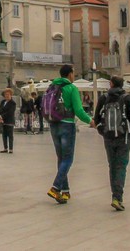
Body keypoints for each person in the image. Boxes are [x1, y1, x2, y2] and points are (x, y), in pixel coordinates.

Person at [45, 64, 93, 204]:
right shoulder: (72, 88)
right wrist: (90, 121)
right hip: (67, 124)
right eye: (73, 73)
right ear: (70, 74)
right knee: (68, 159)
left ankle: (64, 192)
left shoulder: (52, 86)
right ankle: (55, 187)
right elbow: (78, 111)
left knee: (61, 159)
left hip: (53, 124)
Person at [92, 76, 130, 211]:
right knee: (121, 166)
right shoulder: (126, 98)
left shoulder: (103, 98)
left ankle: (115, 195)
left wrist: (102, 132)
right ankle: (117, 197)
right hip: (123, 138)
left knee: (112, 166)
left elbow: (96, 118)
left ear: (111, 84)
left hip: (108, 137)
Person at [0, 88, 17, 154]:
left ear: (11, 95)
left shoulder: (13, 103)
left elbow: (10, 112)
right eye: (5, 94)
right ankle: (5, 148)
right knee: (4, 135)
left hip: (9, 121)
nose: (7, 96)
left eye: (8, 94)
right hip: (2, 121)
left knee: (10, 135)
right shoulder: (2, 102)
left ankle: (11, 149)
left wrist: (2, 116)